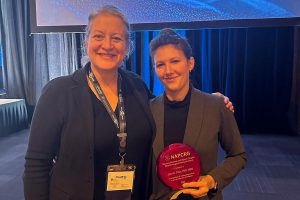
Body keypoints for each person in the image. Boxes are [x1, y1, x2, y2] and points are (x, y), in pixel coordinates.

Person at [23, 5, 234, 200]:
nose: (107, 45)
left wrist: (209, 100)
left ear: (127, 46)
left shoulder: (136, 85)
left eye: (116, 38)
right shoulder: (58, 92)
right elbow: (36, 166)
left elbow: (166, 106)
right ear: (86, 42)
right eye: (98, 36)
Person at [149, 29, 247, 200]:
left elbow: (238, 155)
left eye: (175, 61)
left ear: (190, 63)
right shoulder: (148, 110)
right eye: (160, 64)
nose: (168, 70)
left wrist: (212, 180)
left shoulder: (216, 106)